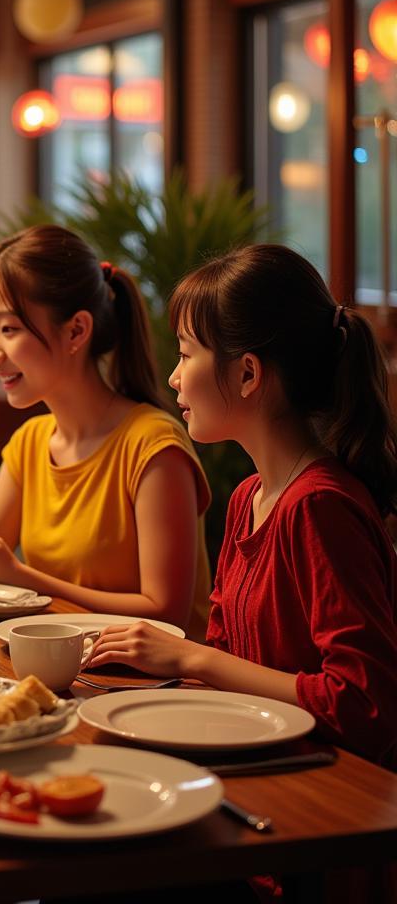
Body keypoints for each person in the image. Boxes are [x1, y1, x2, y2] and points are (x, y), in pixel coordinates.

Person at [87, 244, 397, 769]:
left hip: (331, 788)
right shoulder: (247, 498)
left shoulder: (319, 506)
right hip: (259, 759)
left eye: (186, 354)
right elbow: (228, 659)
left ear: (248, 374)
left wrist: (191, 657)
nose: (173, 378)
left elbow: (366, 706)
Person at [0, 225, 212, 638]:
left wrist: (19, 575)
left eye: (9, 329)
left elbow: (166, 615)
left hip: (152, 689)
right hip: (62, 668)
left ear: (76, 330)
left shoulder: (152, 444)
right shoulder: (31, 442)